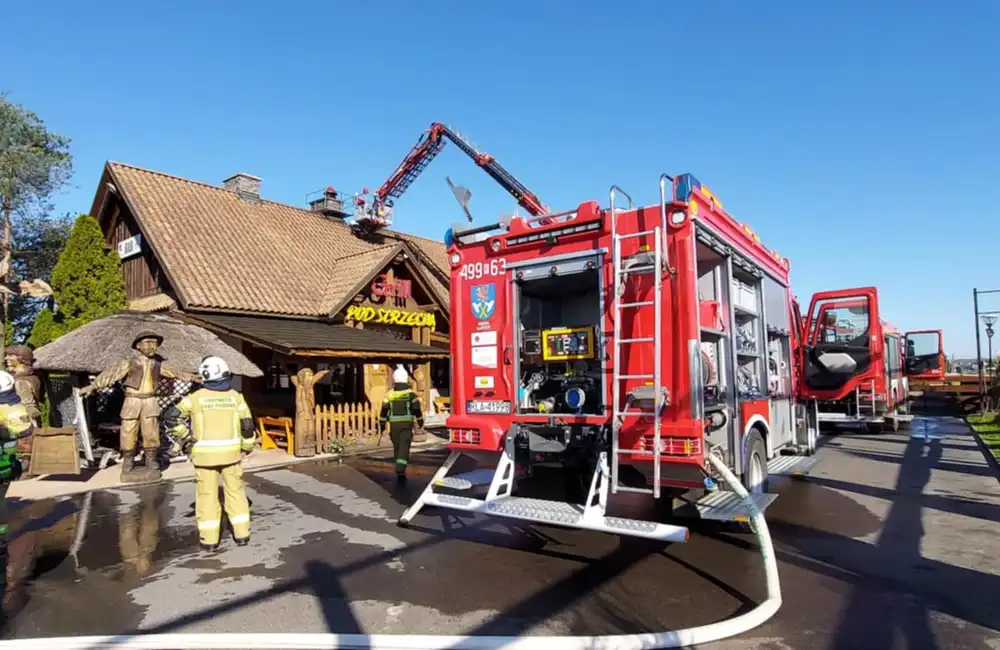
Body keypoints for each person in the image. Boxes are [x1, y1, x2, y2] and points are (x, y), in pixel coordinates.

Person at [161, 356, 255, 552]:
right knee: (236, 493)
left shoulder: (195, 399)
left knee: (206, 496)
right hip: (232, 455)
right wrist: (247, 447)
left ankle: (209, 540)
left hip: (204, 456)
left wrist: (186, 436)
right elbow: (247, 426)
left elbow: (171, 417)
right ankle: (242, 535)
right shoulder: (236, 397)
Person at [79, 331, 201, 481]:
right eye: (148, 343)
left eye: (154, 343)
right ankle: (128, 462)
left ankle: (151, 461)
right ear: (138, 346)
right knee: (128, 432)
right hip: (132, 400)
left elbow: (176, 372)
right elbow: (110, 374)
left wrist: (193, 377)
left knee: (151, 433)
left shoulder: (158, 364)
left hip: (150, 401)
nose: (152, 347)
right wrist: (93, 386)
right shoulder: (129, 363)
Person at [0, 371, 34, 580]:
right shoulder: (16, 408)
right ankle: (2, 540)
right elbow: (26, 430)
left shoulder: (4, 410)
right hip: (7, 465)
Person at [380, 365, 423, 483]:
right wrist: (420, 420)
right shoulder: (410, 394)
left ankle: (399, 466)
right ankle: (400, 469)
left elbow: (383, 410)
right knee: (404, 446)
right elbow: (416, 408)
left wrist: (382, 424)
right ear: (405, 379)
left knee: (397, 446)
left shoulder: (389, 394)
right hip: (406, 425)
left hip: (393, 425)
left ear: (394, 379)